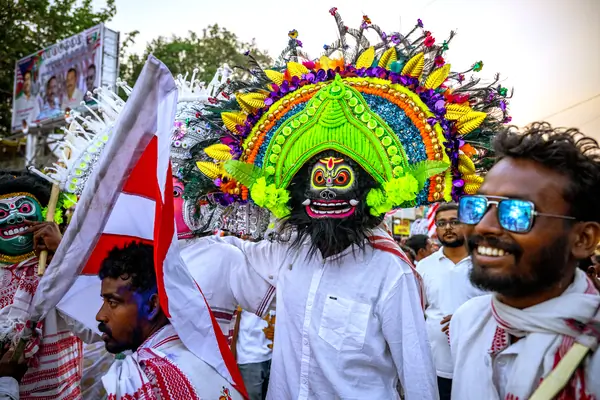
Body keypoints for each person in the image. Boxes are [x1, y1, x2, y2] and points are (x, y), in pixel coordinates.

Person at [181, 9, 510, 399]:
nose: (326, 193)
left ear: (371, 190)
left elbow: (417, 377)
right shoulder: (287, 255)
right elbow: (223, 260)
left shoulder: (390, 272)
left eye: (341, 180)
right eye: (317, 180)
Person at [451, 123, 600, 399]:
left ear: (583, 239)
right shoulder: (467, 321)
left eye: (517, 212)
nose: (483, 226)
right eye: (478, 206)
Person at [96, 241, 244, 399]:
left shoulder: (141, 381)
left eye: (113, 302)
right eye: (104, 301)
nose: (100, 315)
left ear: (152, 306)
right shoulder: (207, 355)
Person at [0, 170, 83, 400]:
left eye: (24, 208)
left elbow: (93, 323)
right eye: (2, 212)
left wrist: (62, 254)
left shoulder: (60, 268)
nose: (14, 218)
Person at [416, 203, 485, 400]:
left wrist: (466, 317)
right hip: (436, 365)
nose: (448, 227)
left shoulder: (485, 264)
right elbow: (417, 312)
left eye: (455, 222)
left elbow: (501, 307)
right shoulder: (424, 266)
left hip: (479, 363)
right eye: (442, 223)